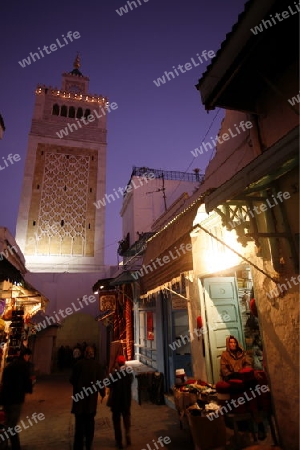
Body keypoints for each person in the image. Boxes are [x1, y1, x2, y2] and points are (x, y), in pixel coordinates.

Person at [70, 345, 105, 450]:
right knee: (90, 423)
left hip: (79, 400)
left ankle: (78, 446)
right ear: (93, 354)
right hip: (90, 401)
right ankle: (88, 445)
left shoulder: (78, 365)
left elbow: (72, 380)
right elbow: (100, 382)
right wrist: (102, 393)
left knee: (79, 426)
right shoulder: (97, 366)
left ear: (85, 353)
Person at [1, 347, 33, 450]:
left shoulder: (10, 366)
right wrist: (28, 389)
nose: (29, 358)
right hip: (16, 399)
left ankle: (8, 444)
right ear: (25, 356)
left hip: (6, 398)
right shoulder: (24, 366)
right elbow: (26, 382)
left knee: (9, 422)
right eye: (29, 356)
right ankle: (11, 445)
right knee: (12, 424)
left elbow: (4, 381)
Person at [109, 355, 133, 449]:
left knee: (116, 422)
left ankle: (119, 442)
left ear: (117, 363)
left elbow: (109, 384)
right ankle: (128, 436)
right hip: (126, 401)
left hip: (116, 402)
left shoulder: (115, 375)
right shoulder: (129, 374)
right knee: (126, 419)